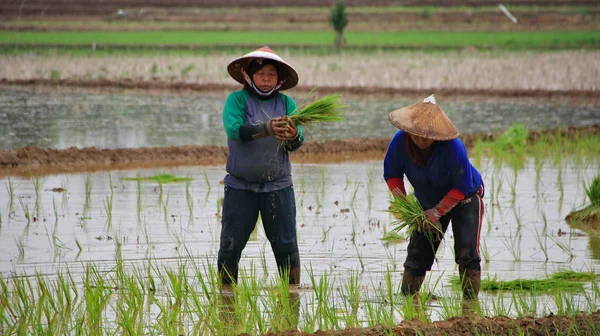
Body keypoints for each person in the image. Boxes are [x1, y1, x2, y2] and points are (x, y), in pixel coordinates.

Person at [383, 95, 485, 300]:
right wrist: (402, 204)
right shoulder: (399, 142)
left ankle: (469, 307)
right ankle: (408, 298)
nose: (421, 140)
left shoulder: (453, 147)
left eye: (427, 136)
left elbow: (462, 186)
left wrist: (437, 212)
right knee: (418, 253)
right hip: (426, 198)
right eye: (416, 135)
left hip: (465, 197)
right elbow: (392, 174)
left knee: (466, 251)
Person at [218, 46, 303, 287]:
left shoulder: (287, 104)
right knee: (231, 244)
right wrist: (266, 129)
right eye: (261, 73)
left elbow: (298, 142)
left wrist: (293, 136)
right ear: (250, 75)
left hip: (278, 187)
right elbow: (234, 130)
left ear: (280, 79)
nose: (266, 79)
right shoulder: (237, 100)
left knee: (286, 245)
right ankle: (226, 297)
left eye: (272, 74)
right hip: (240, 188)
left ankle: (292, 294)